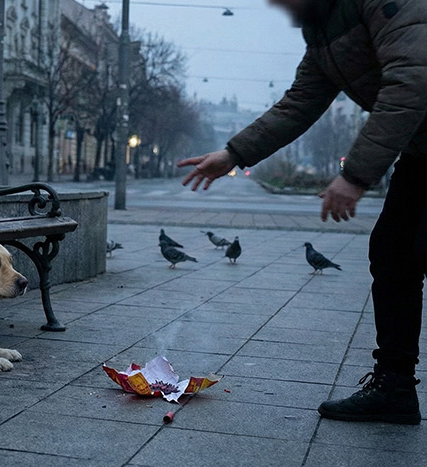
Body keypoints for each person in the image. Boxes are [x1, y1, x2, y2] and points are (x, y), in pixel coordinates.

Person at [179, 0, 427, 425]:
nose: (277, 7)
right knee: (394, 254)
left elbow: (413, 79)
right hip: (422, 152)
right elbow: (299, 103)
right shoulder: (324, 31)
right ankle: (395, 387)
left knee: (399, 252)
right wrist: (234, 154)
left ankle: (395, 385)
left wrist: (355, 174)